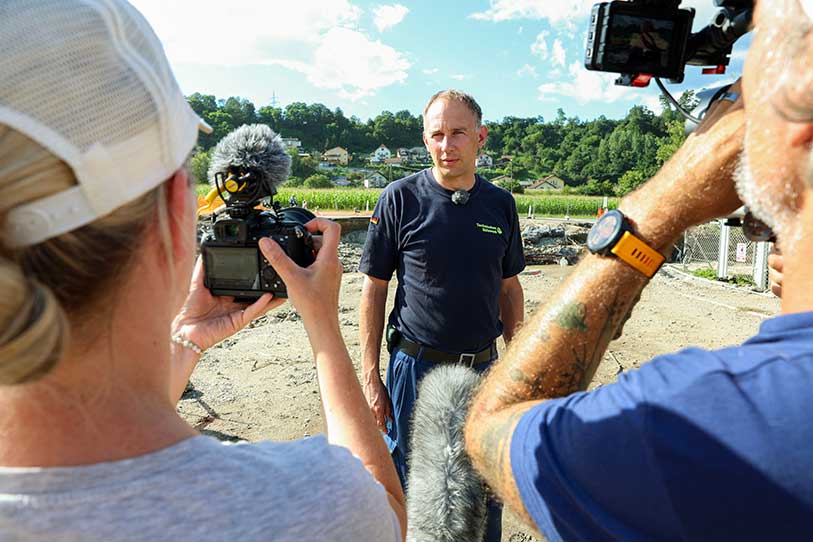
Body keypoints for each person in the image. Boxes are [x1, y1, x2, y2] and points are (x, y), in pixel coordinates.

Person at [0, 2, 405, 541]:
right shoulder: (308, 507)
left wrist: (187, 340)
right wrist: (324, 330)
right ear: (174, 213)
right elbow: (386, 507)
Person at [465, 0, 813, 540]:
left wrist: (656, 206)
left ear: (803, 89)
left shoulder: (694, 422)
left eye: (757, 48)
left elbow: (493, 425)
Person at [358, 89, 525, 541]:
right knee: (418, 488)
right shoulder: (399, 199)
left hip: (484, 369)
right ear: (426, 140)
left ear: (480, 138)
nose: (447, 145)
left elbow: (509, 288)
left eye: (458, 134)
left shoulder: (500, 205)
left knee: (484, 484)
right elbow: (374, 290)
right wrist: (372, 377)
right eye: (437, 135)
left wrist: (519, 367)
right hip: (416, 369)